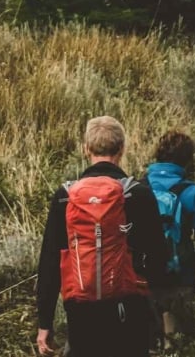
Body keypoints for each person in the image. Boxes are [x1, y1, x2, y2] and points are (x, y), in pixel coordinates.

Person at [37, 116, 164, 357]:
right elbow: (159, 257)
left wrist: (45, 322)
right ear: (122, 149)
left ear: (86, 149)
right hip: (129, 308)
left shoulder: (65, 197)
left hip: (81, 311)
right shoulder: (139, 194)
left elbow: (50, 263)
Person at [144, 130, 195, 350]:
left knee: (146, 342)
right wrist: (190, 262)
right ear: (187, 160)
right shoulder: (191, 193)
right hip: (181, 278)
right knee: (179, 342)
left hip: (144, 278)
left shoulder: (138, 188)